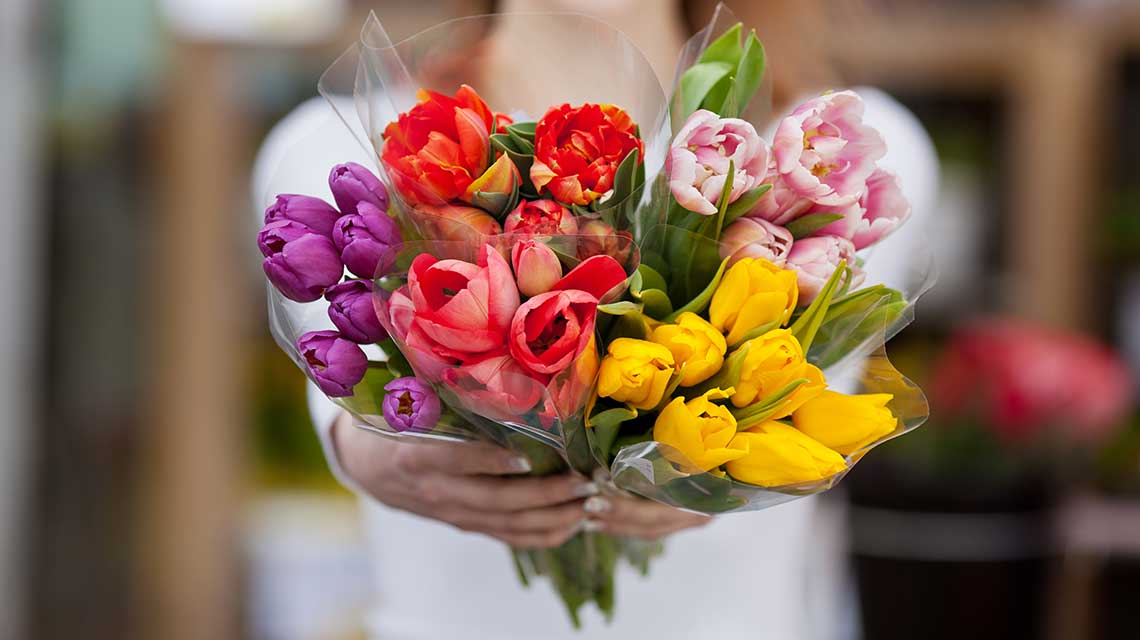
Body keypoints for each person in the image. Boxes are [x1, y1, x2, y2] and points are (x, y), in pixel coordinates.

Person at [252, 2, 939, 637]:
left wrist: (708, 461)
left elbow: (810, 412)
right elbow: (342, 391)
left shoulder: (842, 158)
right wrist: (357, 448)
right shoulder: (341, 150)